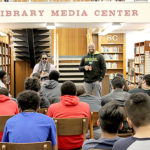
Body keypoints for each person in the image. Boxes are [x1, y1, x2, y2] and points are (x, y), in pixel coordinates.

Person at [47, 81, 90, 150]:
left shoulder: (52, 107)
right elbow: (86, 126)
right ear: (76, 93)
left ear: (61, 94)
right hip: (79, 145)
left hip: (59, 146)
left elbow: (48, 128)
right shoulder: (86, 106)